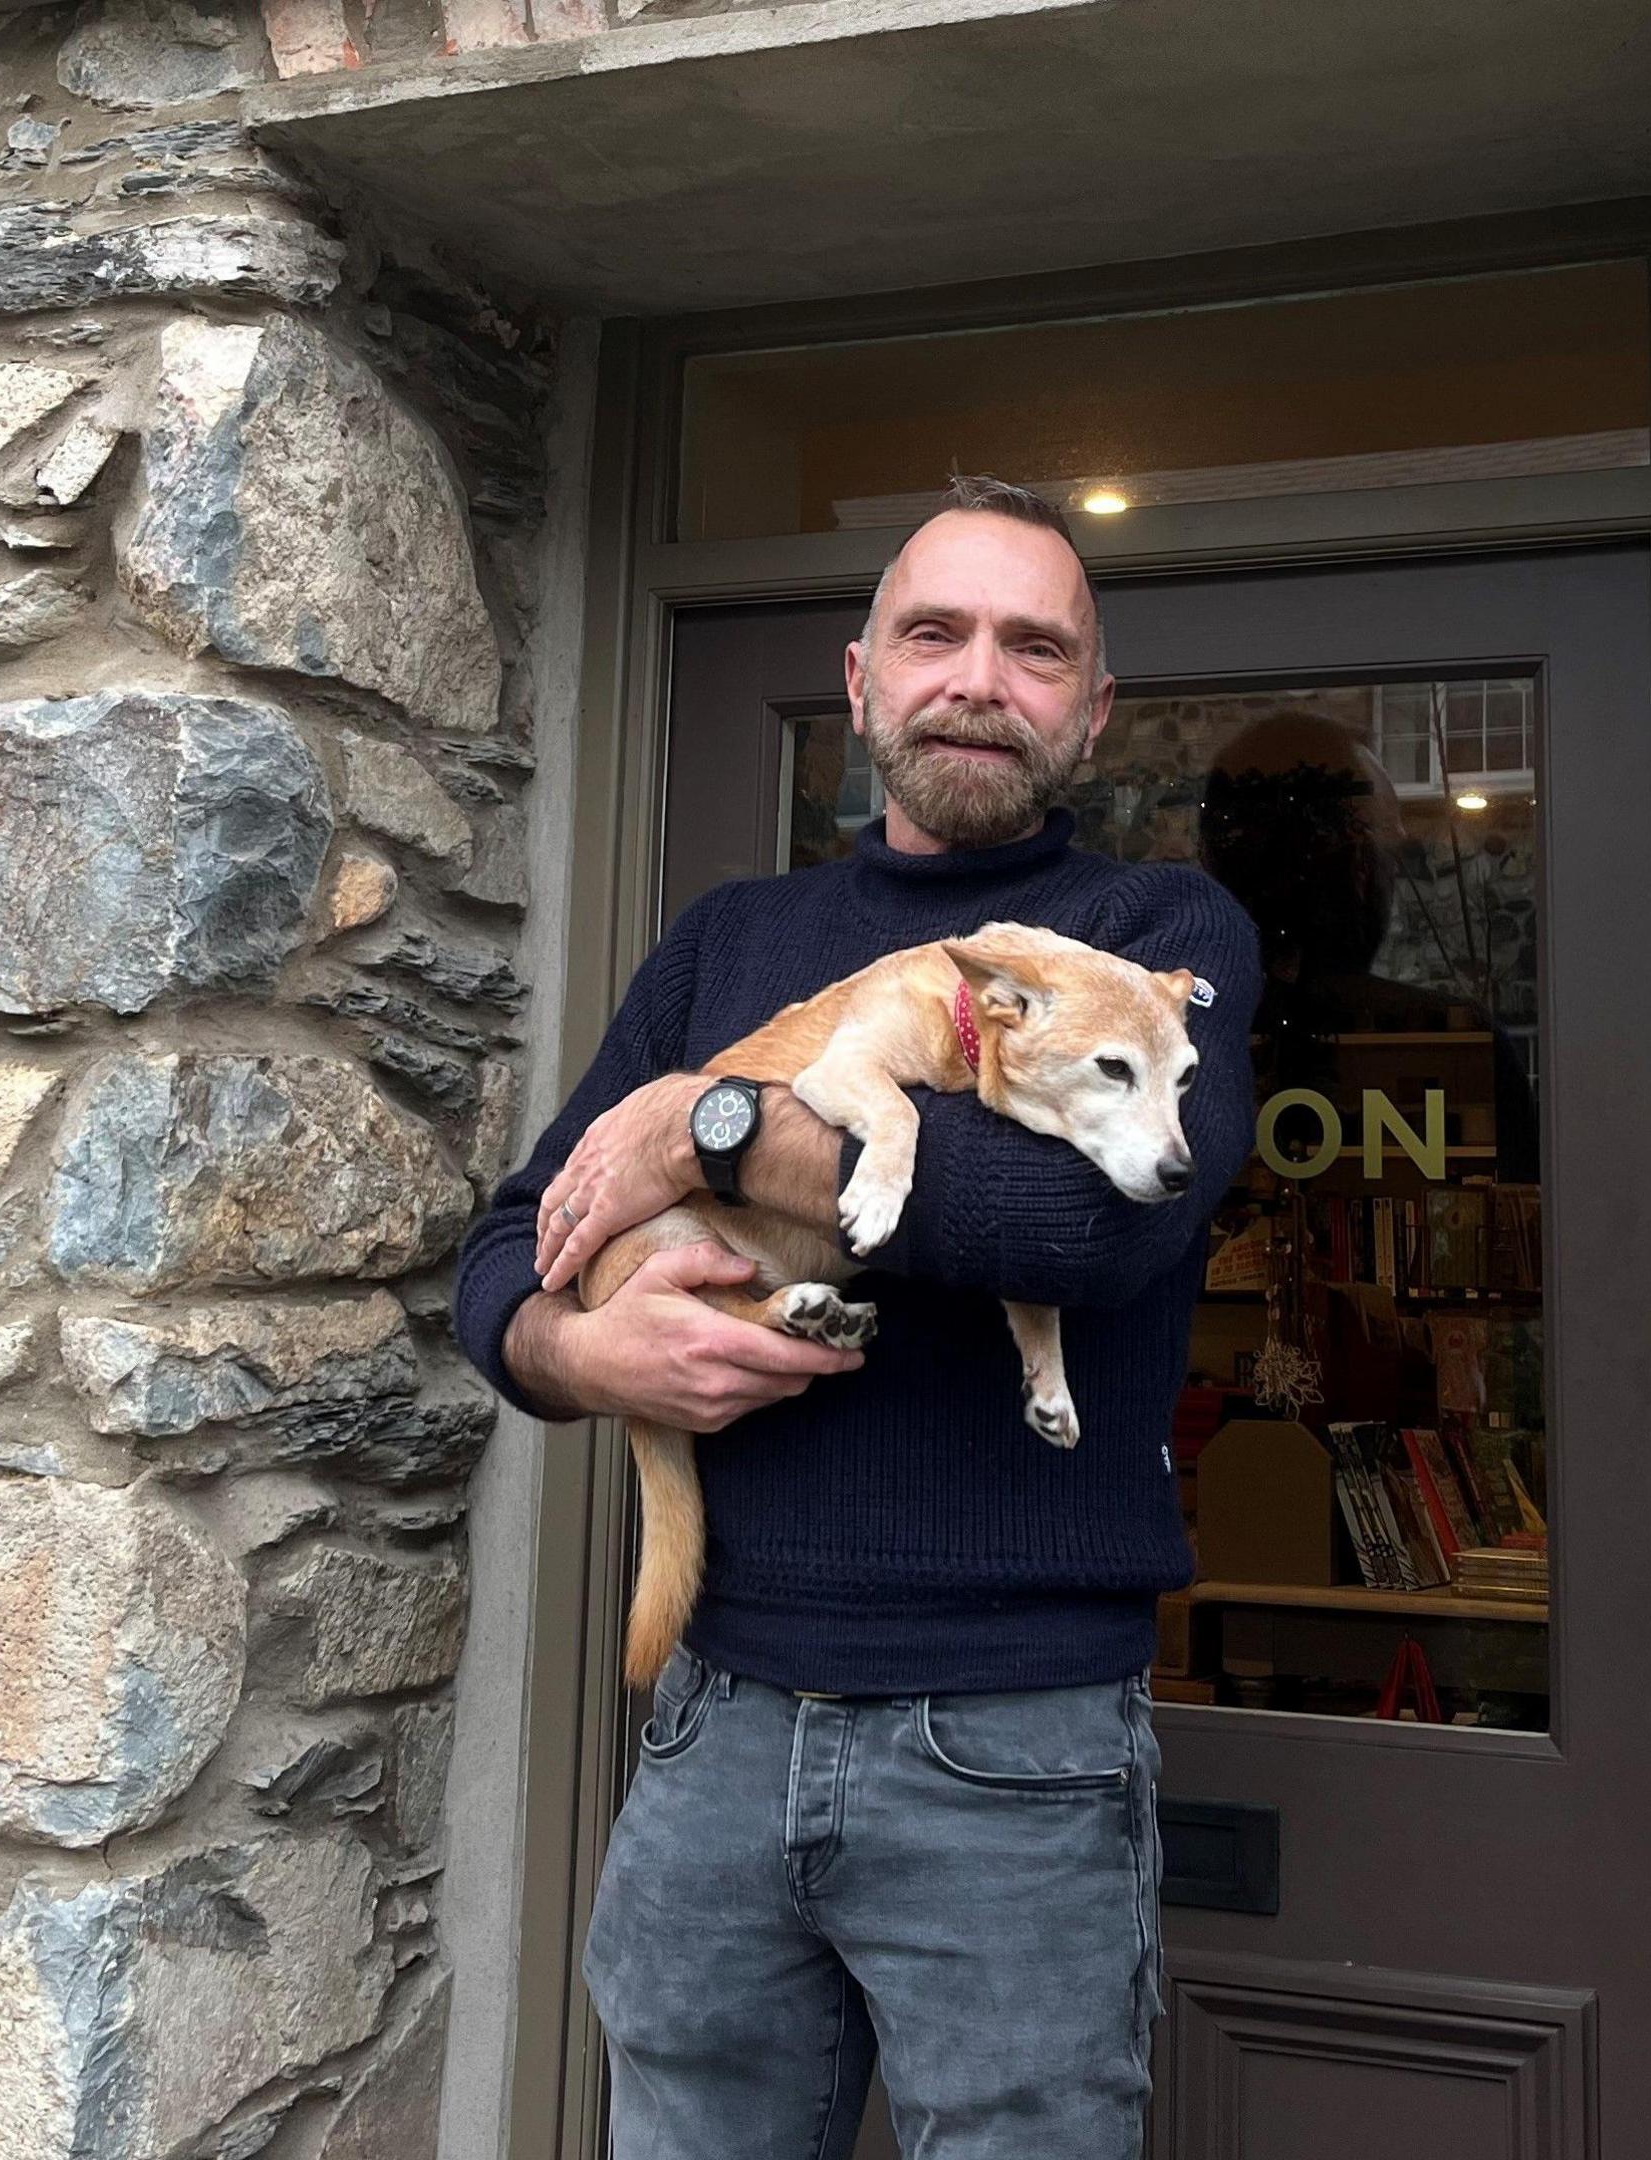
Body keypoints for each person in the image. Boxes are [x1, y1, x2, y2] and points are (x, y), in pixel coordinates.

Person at [454, 475, 1262, 2159]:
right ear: (863, 678)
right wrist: (587, 1350)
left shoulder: (1155, 946)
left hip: (1018, 1744)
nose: (981, 676)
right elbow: (512, 1250)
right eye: (935, 632)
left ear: (1094, 710)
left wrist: (717, 1124)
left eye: (1035, 648)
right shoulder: (730, 942)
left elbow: (1085, 1222)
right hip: (718, 1719)